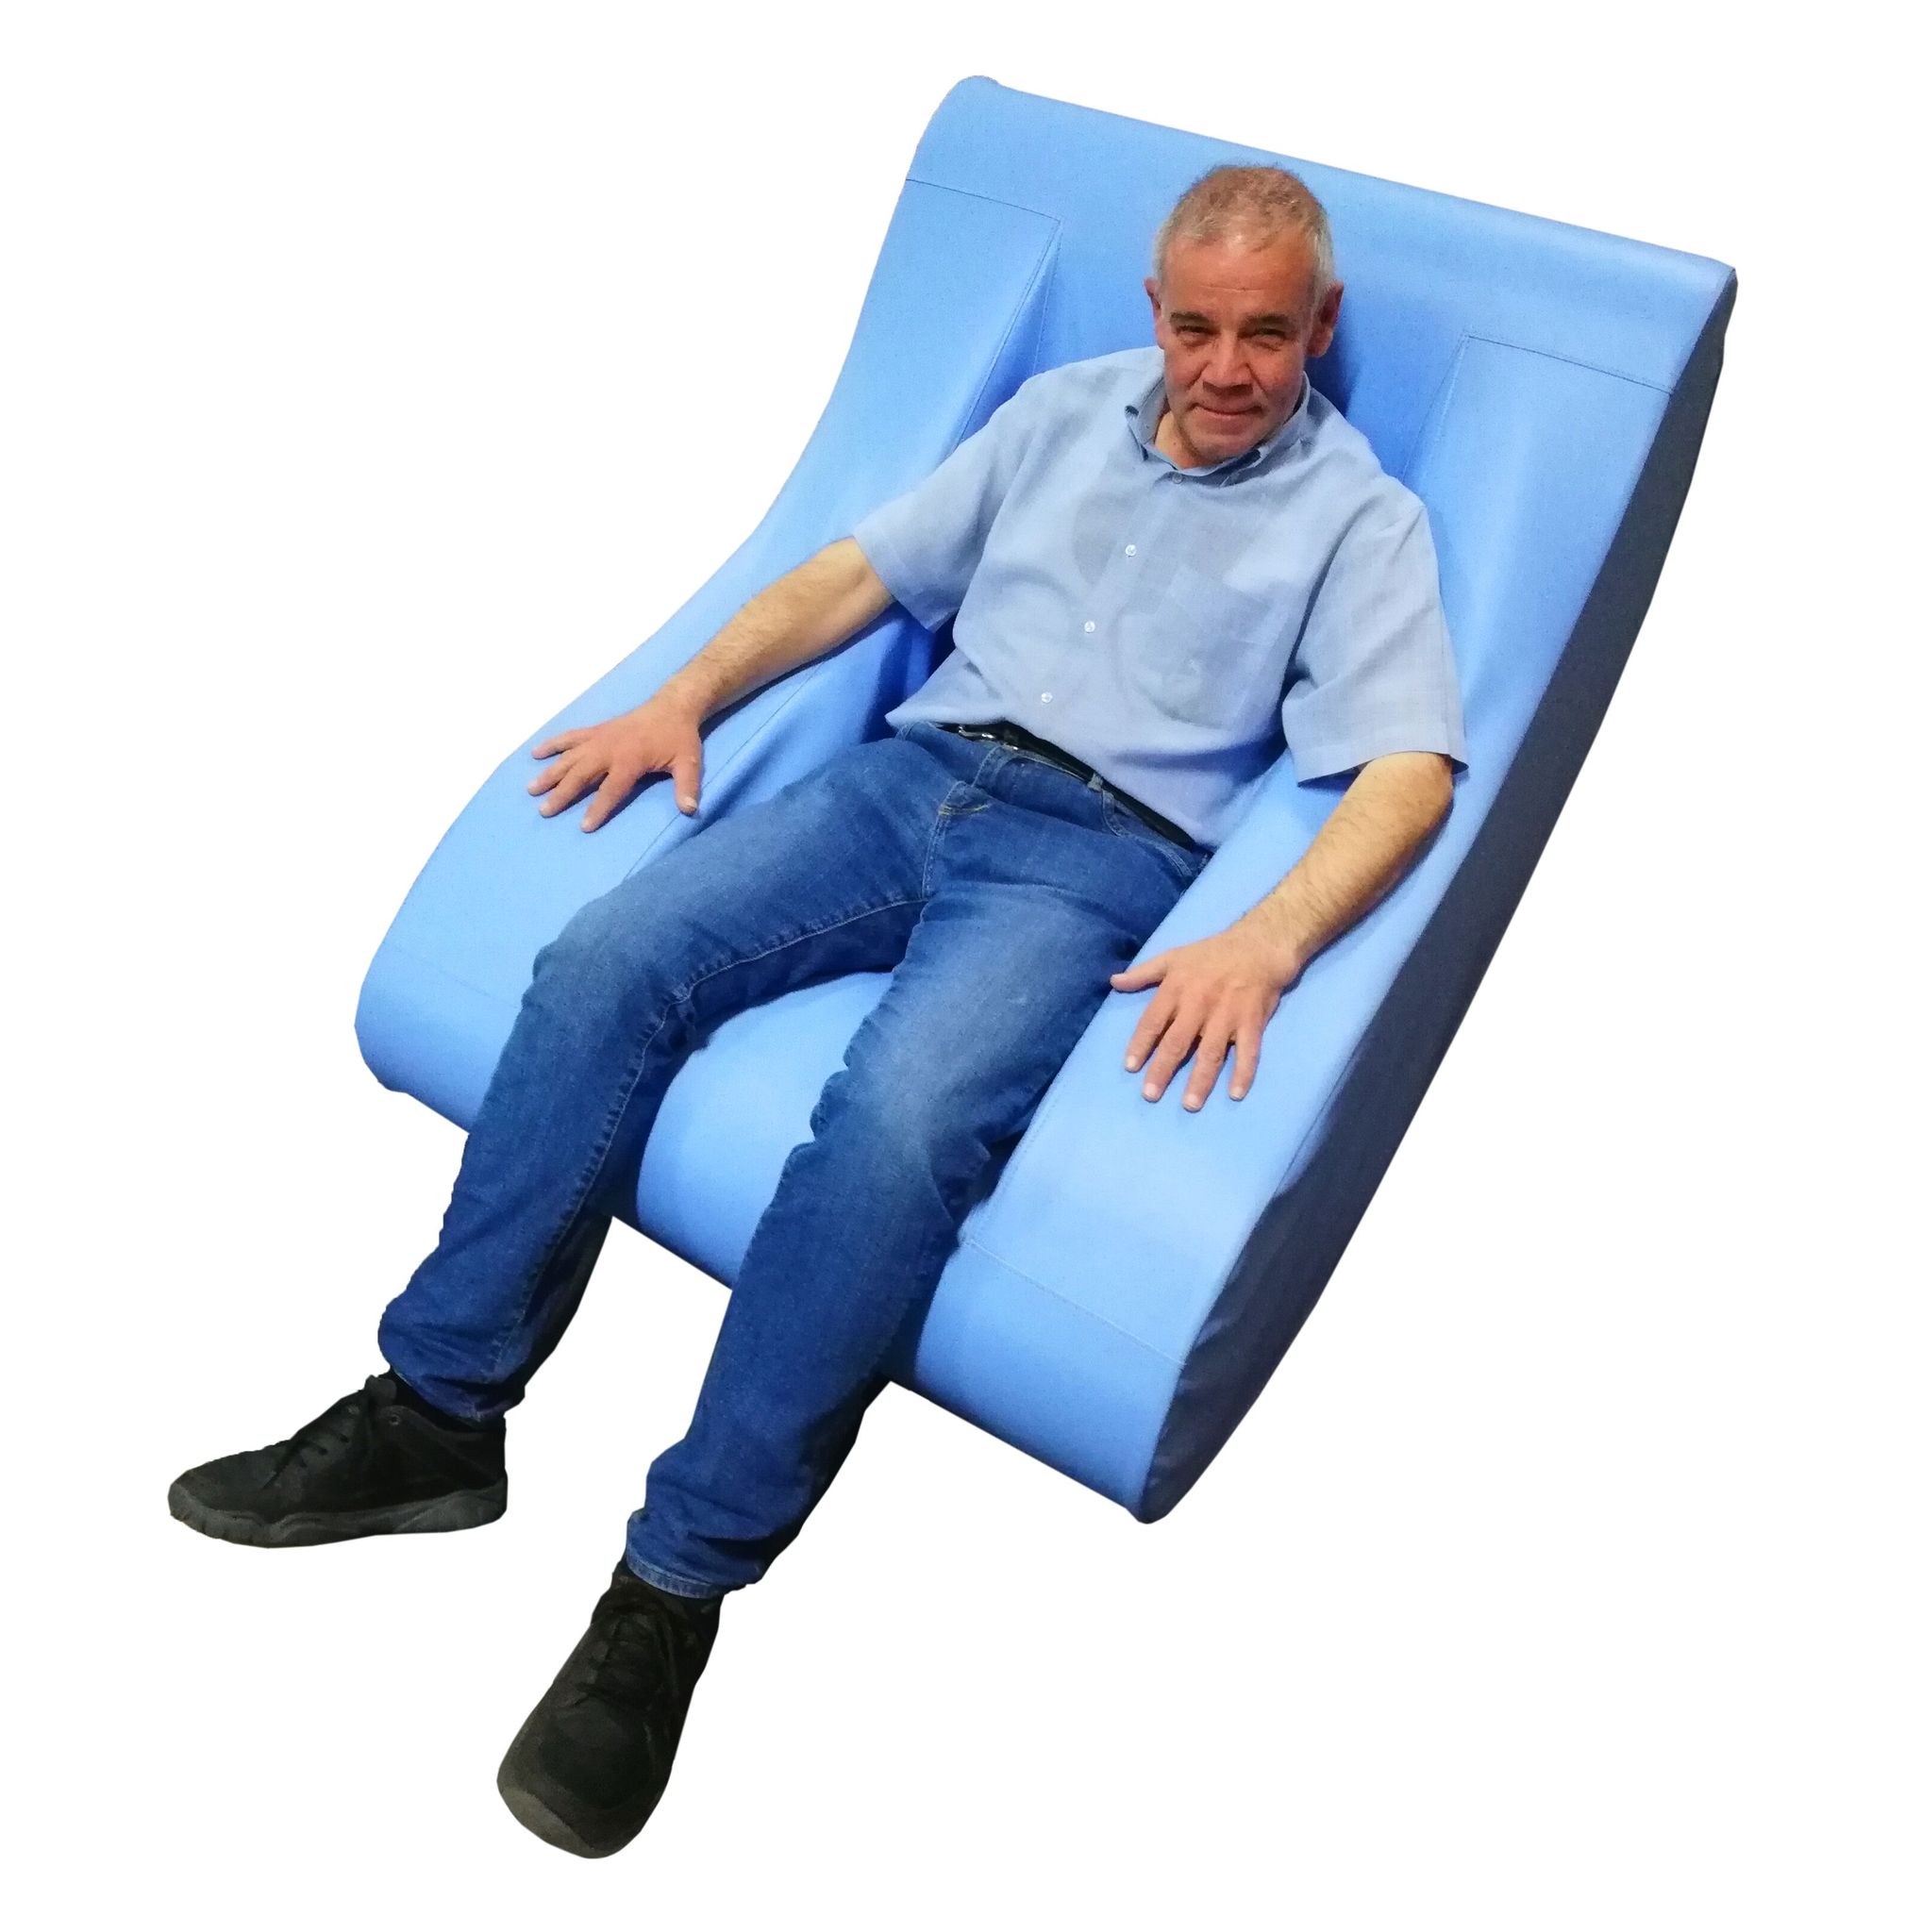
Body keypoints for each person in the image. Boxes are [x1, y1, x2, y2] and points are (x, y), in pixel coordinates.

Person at [168, 164, 1467, 1857]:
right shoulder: (1063, 413)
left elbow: (1411, 765)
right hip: (904, 780)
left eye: (1269, 335)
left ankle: (671, 1588)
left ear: (1323, 324)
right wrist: (685, 697)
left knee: (896, 1131)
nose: (1228, 368)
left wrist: (1270, 939)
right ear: (1157, 311)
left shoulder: (1360, 517)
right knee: (604, 959)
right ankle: (435, 1413)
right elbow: (862, 574)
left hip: (1095, 858)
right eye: (1200, 327)